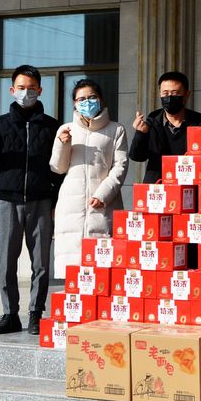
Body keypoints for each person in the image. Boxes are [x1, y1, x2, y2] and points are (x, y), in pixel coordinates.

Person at [0, 65, 61, 335]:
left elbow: (58, 169)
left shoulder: (52, 127)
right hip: (8, 202)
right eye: (21, 88)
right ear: (12, 90)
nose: (27, 93)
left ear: (40, 90)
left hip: (41, 201)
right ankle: (10, 314)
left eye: (32, 88)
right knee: (7, 261)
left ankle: (36, 313)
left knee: (41, 262)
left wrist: (55, 202)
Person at [50, 79, 129, 278]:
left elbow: (120, 166)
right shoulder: (66, 129)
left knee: (102, 269)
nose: (87, 102)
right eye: (81, 99)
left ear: (100, 99)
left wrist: (103, 194)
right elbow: (57, 167)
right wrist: (62, 144)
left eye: (92, 97)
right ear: (74, 103)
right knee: (74, 269)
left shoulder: (116, 130)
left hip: (103, 204)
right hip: (72, 205)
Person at [129, 71, 201, 183]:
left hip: (188, 184)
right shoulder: (152, 122)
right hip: (158, 187)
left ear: (187, 95)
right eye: (165, 93)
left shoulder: (199, 122)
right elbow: (137, 156)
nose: (169, 98)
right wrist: (141, 133)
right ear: (160, 94)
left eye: (175, 93)